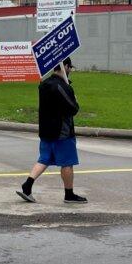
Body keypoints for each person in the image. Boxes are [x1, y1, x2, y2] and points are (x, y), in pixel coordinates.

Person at [17, 57, 87, 204]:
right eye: (70, 68)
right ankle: (69, 194)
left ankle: (27, 184)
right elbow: (73, 109)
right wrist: (74, 98)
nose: (70, 71)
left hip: (46, 130)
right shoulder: (61, 86)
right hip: (62, 132)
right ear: (65, 66)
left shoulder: (44, 84)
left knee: (44, 159)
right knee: (67, 163)